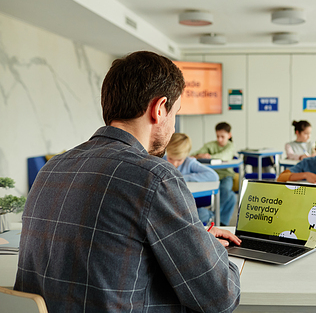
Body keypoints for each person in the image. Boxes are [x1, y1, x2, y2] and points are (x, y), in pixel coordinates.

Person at [15, 51, 241, 312]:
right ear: (159, 109)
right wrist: (210, 248)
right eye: (175, 113)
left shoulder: (52, 167)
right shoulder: (155, 176)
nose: (174, 126)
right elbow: (219, 297)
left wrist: (193, 240)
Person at [165, 132, 219, 225]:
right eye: (171, 158)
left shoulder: (189, 162)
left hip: (188, 206)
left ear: (186, 155)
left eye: (179, 160)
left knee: (201, 214)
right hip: (169, 205)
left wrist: (182, 177)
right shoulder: (161, 160)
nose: (174, 163)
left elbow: (213, 175)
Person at [192, 122, 237, 226]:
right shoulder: (210, 145)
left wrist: (208, 156)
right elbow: (194, 155)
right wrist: (201, 155)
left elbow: (224, 156)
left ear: (229, 135)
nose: (219, 139)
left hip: (226, 175)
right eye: (218, 136)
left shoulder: (231, 146)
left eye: (223, 136)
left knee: (225, 189)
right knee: (232, 197)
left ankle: (212, 215)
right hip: (211, 176)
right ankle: (221, 222)